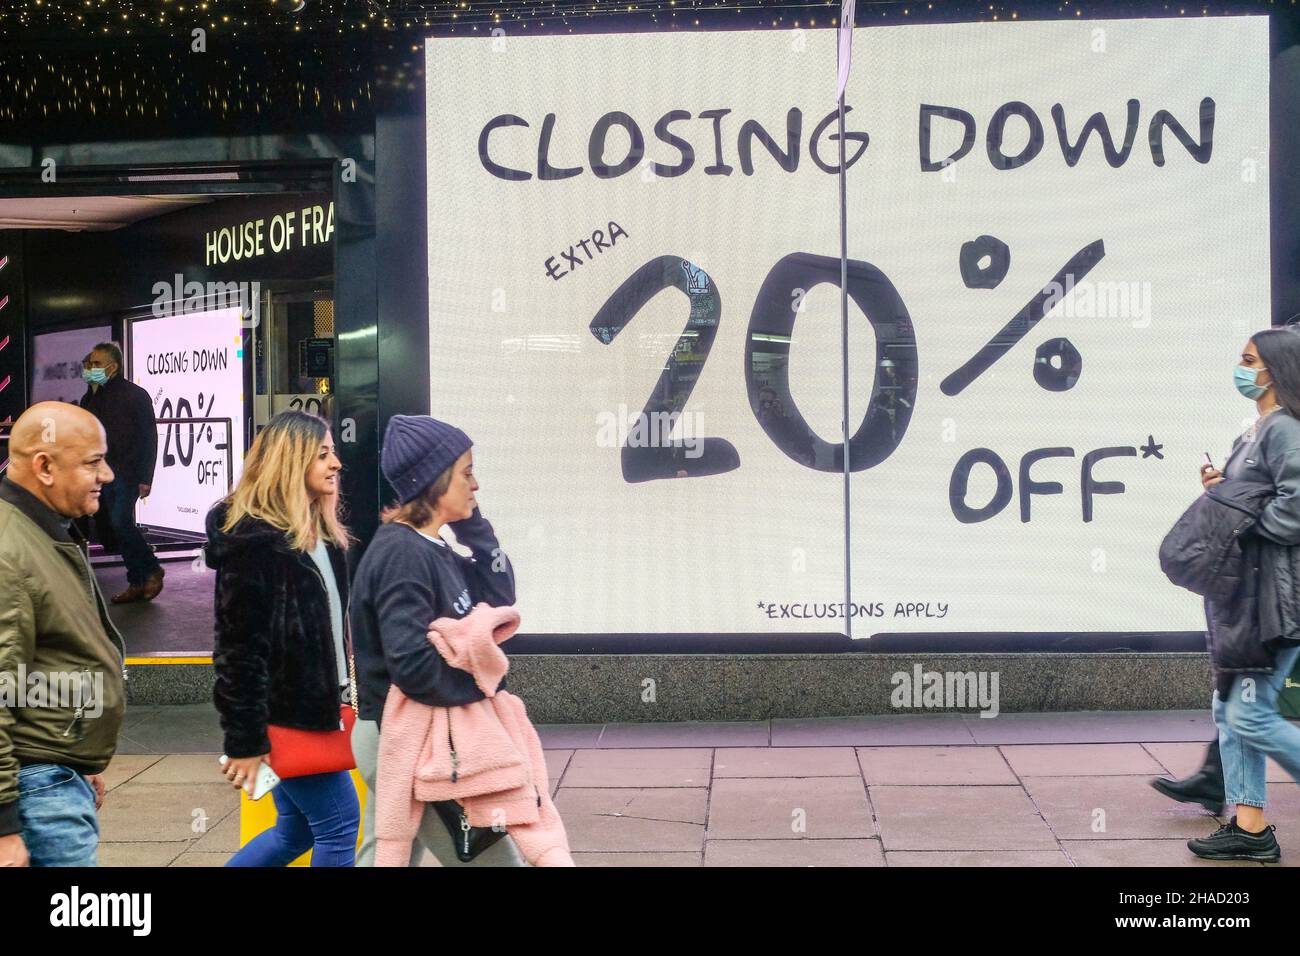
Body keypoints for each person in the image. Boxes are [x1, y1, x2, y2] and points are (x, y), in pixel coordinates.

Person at [349, 414, 523, 866]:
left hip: (410, 735)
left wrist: (472, 525)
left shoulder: (432, 546)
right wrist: (484, 685)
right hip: (408, 739)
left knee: (384, 857)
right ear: (434, 479)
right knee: (497, 863)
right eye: (465, 472)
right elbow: (412, 665)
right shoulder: (402, 554)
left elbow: (499, 595)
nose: (476, 484)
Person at [206, 410, 360, 867]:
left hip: (321, 708)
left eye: (334, 452)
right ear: (290, 462)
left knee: (294, 832)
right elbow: (238, 651)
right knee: (338, 826)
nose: (335, 464)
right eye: (323, 454)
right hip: (287, 717)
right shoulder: (254, 544)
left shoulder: (320, 536)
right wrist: (245, 742)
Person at [1182, 328, 1300, 862]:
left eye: (1248, 360)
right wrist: (1221, 491)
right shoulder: (1255, 432)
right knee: (1228, 706)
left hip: (1277, 598)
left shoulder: (1284, 431)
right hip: (1250, 597)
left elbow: (1296, 508)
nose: (1240, 367)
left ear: (1274, 370)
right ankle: (1250, 827)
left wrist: (1245, 520)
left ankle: (1251, 828)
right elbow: (1251, 498)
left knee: (1247, 714)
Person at [0, 402, 125, 866]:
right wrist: (4, 827)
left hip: (53, 777)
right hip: (35, 792)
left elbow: (48, 662)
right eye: (93, 462)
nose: (107, 475)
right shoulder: (11, 548)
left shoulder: (42, 529)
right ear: (45, 466)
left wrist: (78, 758)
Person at [78, 342, 164, 604]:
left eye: (96, 364)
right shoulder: (91, 396)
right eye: (89, 364)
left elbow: (149, 437)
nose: (90, 368)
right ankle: (137, 579)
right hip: (100, 472)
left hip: (127, 471)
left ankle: (150, 570)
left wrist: (145, 477)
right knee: (115, 526)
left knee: (120, 521)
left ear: (112, 366)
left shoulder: (135, 395)